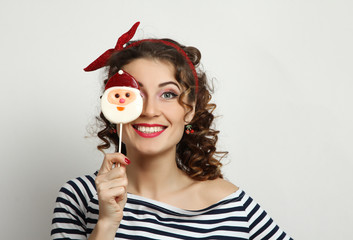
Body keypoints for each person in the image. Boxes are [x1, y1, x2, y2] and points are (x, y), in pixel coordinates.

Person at [51, 22, 293, 240]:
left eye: (168, 94)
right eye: (135, 95)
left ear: (189, 110)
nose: (150, 110)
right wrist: (105, 224)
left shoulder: (232, 204)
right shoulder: (80, 197)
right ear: (113, 106)